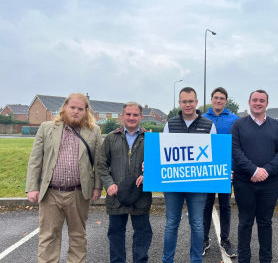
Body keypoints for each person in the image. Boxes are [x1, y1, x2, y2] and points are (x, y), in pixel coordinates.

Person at [26, 93, 102, 263]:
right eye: (72, 107)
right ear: (65, 107)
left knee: (78, 235)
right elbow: (35, 160)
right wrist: (32, 187)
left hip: (78, 192)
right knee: (48, 236)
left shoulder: (94, 131)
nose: (76, 111)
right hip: (50, 192)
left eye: (80, 109)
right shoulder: (46, 128)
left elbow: (99, 162)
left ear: (86, 111)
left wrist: (97, 187)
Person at [231, 89, 278, 263]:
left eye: (262, 100)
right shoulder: (239, 125)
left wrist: (266, 171)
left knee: (265, 223)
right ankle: (244, 259)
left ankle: (266, 259)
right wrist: (253, 170)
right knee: (245, 222)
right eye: (255, 100)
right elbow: (235, 150)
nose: (258, 103)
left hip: (270, 184)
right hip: (244, 182)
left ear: (267, 104)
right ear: (249, 102)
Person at [162, 87, 217, 263]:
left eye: (191, 101)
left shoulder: (209, 125)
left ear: (196, 102)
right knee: (171, 224)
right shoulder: (170, 124)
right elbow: (163, 154)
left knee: (197, 224)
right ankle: (167, 260)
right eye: (184, 101)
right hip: (173, 183)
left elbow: (215, 155)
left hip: (198, 183)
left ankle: (196, 260)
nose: (187, 104)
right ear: (179, 103)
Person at [97, 102, 152, 263]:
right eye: (128, 114)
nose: (131, 118)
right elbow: (101, 164)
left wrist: (148, 175)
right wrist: (108, 183)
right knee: (115, 233)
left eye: (135, 115)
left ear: (141, 116)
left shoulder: (149, 139)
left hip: (140, 194)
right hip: (116, 194)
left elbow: (158, 164)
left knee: (143, 233)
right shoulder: (111, 138)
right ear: (122, 116)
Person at [202, 87, 238, 257]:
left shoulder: (234, 120)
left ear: (226, 100)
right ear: (211, 99)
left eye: (222, 98)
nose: (218, 100)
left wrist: (232, 167)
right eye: (216, 98)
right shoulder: (201, 118)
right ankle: (203, 239)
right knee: (206, 204)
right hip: (206, 170)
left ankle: (225, 239)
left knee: (225, 205)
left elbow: (237, 145)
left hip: (225, 171)